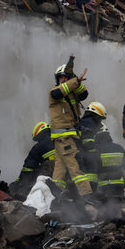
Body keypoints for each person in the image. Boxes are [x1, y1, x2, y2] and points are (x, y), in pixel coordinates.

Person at [48, 56, 92, 197]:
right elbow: (58, 92)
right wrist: (75, 80)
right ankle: (87, 196)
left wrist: (77, 82)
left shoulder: (72, 94)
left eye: (67, 77)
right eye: (61, 77)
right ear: (57, 79)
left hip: (66, 137)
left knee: (59, 172)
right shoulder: (54, 92)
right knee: (75, 166)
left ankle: (54, 197)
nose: (64, 79)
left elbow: (84, 94)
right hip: (64, 137)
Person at [9, 121, 56, 201]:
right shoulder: (58, 140)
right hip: (64, 174)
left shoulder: (38, 147)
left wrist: (18, 182)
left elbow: (28, 168)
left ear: (38, 134)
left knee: (35, 172)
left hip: (50, 178)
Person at [92, 130, 125, 200]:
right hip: (119, 185)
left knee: (106, 207)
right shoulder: (118, 148)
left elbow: (92, 168)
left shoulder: (96, 149)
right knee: (119, 205)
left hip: (104, 186)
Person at [75, 101, 107, 190]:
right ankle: (90, 193)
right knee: (91, 175)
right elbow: (88, 141)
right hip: (86, 155)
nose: (100, 122)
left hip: (81, 154)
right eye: (100, 118)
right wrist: (96, 152)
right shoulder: (90, 122)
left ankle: (88, 193)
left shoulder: (84, 121)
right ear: (96, 115)